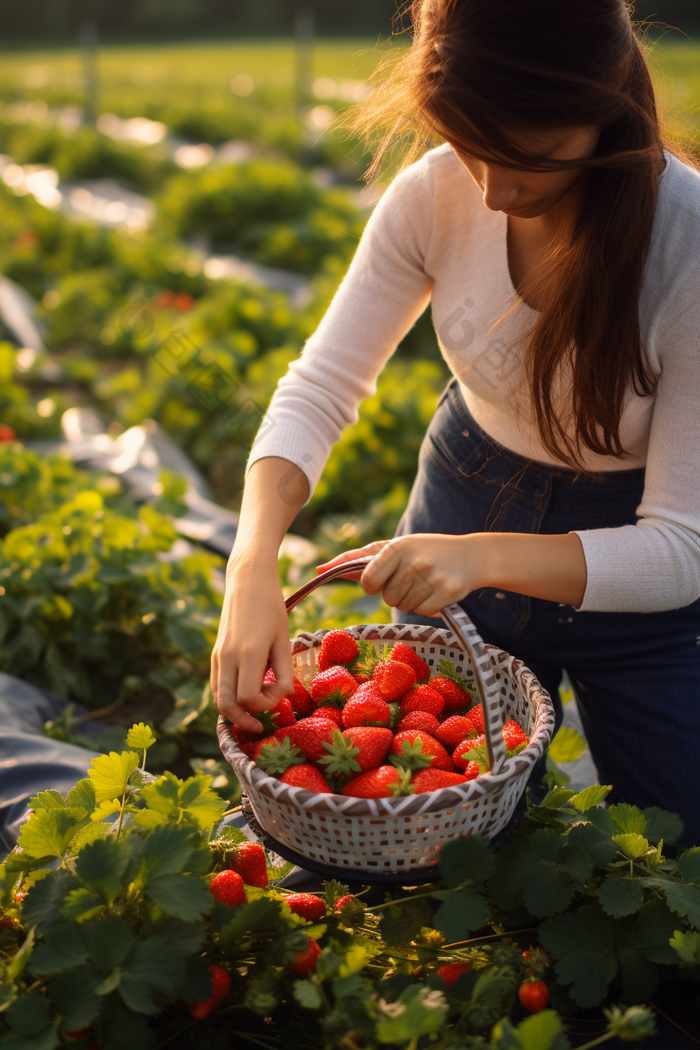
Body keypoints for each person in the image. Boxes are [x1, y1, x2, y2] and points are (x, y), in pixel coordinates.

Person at [211, 0, 700, 843]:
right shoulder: (434, 194)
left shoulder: (685, 248)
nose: (494, 190)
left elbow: (682, 546)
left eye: (533, 158)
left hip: (628, 567)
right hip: (464, 492)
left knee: (674, 848)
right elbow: (321, 384)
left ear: (606, 106)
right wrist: (251, 566)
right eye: (474, 144)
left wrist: (482, 562)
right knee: (437, 837)